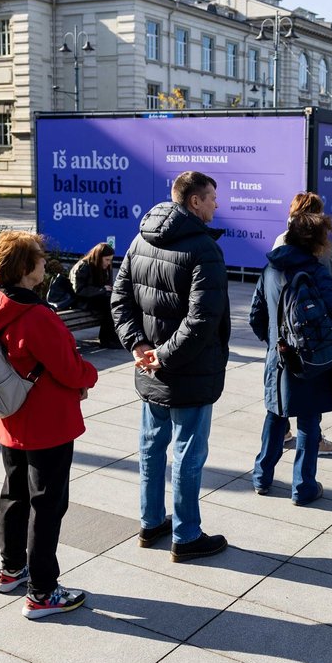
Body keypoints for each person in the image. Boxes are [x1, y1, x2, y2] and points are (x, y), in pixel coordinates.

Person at [112, 170, 230, 562]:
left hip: (151, 369)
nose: (217, 202)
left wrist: (139, 347)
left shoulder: (139, 238)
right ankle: (186, 535)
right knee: (187, 456)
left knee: (151, 449)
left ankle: (150, 523)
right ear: (194, 201)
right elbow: (202, 321)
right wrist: (158, 354)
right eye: (211, 196)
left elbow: (119, 299)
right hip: (187, 371)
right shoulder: (204, 250)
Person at [0, 231, 98, 619]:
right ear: (25, 267)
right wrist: (88, 375)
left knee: (14, 494)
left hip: (11, 417)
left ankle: (11, 569)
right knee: (47, 504)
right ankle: (43, 591)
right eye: (40, 258)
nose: (45, 263)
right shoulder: (36, 316)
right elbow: (68, 367)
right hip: (47, 421)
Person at [249, 212, 332, 505]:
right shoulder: (316, 270)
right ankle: (303, 487)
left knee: (276, 416)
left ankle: (261, 477)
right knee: (308, 421)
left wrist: (273, 342)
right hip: (309, 359)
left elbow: (256, 315)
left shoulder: (270, 268)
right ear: (315, 240)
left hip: (278, 359)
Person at [272, 192, 332, 456]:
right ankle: (315, 439)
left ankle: (282, 433)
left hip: (281, 324)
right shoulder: (319, 246)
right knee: (312, 383)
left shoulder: (280, 239)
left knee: (282, 382)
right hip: (310, 323)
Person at [69, 242, 119, 348]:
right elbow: (79, 290)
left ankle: (112, 337)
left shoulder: (103, 267)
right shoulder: (83, 266)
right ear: (98, 257)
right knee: (109, 304)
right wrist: (102, 290)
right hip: (82, 301)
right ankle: (107, 339)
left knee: (116, 301)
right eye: (107, 260)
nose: (109, 263)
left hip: (96, 298)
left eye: (110, 260)